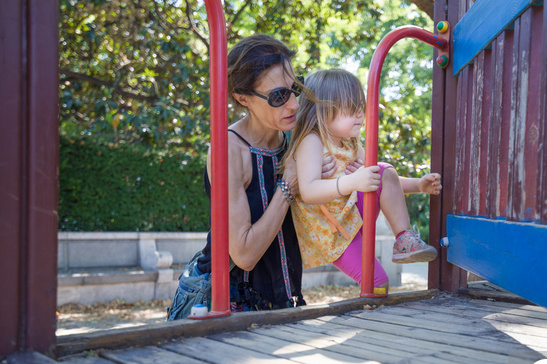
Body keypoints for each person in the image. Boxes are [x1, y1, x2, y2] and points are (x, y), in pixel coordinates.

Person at [168, 35, 343, 319]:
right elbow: (245, 255)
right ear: (243, 98)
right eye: (278, 96)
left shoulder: (296, 138)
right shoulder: (228, 149)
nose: (294, 105)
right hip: (227, 301)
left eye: (294, 88)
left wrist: (328, 182)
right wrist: (288, 187)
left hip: (284, 298)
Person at [284, 68, 442, 295]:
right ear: (324, 109)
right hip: (333, 232)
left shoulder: (351, 143)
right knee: (377, 282)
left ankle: (404, 239)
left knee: (384, 170)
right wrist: (353, 181)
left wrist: (419, 185)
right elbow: (308, 191)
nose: (360, 114)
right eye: (351, 108)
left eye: (361, 107)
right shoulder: (312, 140)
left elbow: (383, 180)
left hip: (351, 217)